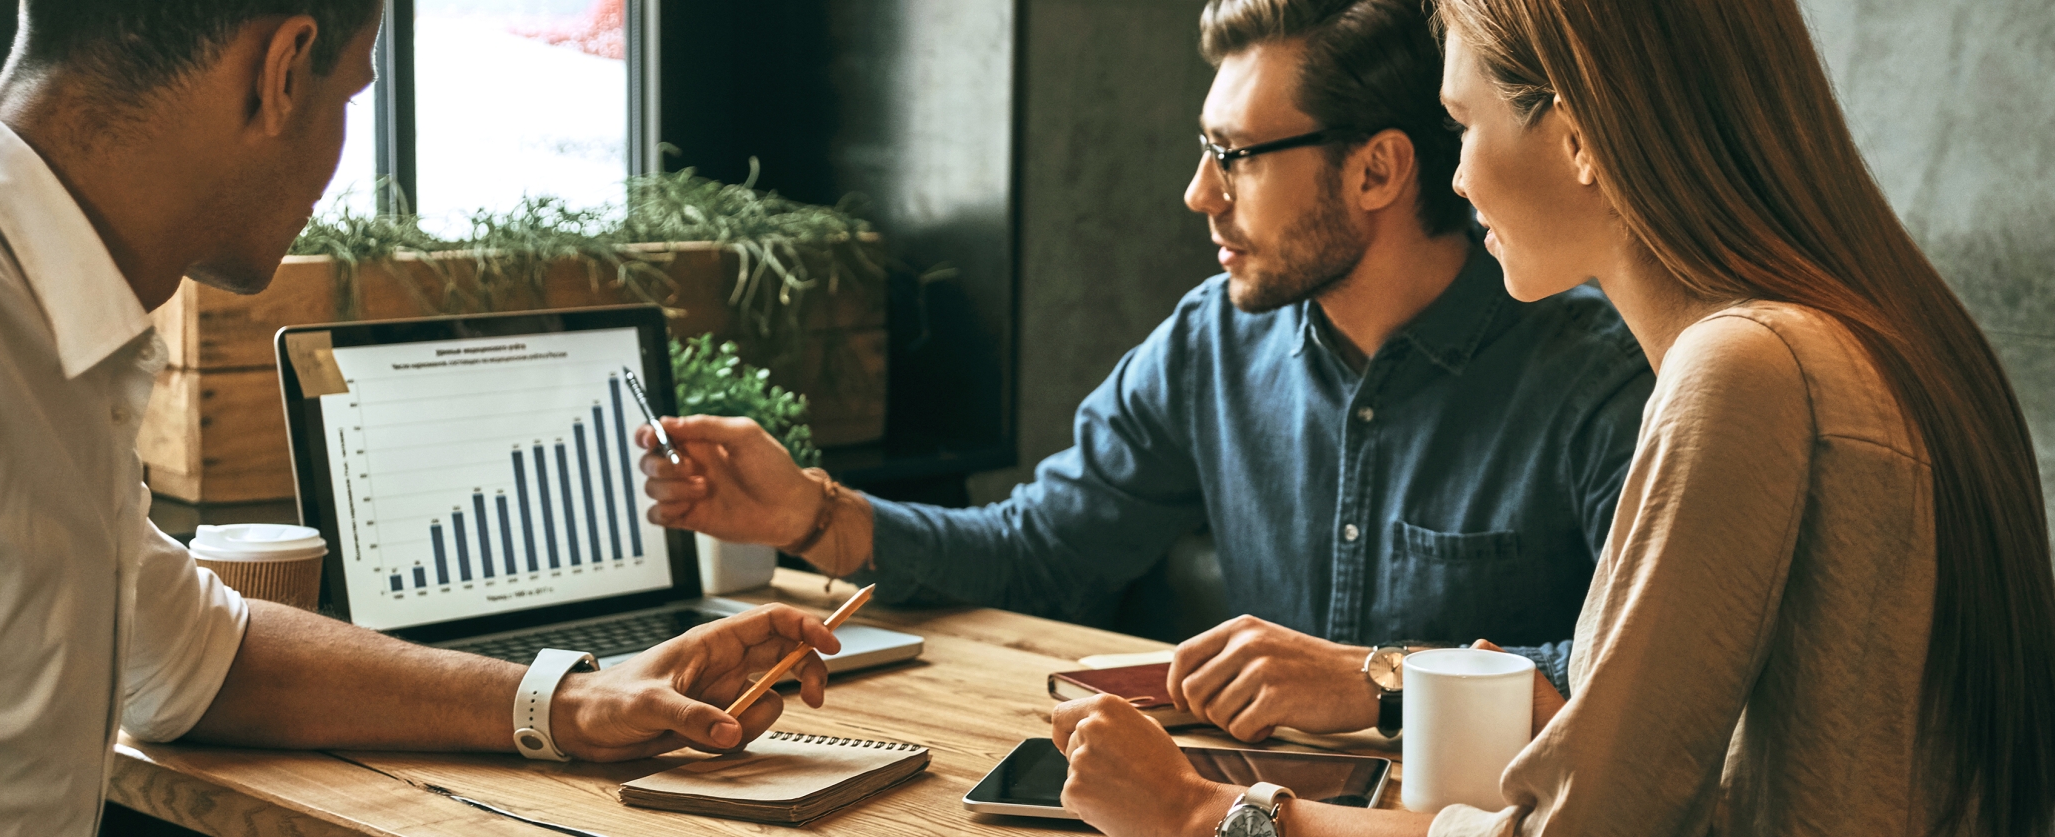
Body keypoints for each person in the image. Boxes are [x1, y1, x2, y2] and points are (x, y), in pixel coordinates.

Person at [1048, 0, 2055, 835]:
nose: (1448, 177)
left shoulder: (1745, 370)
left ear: (1578, 131)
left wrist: (1201, 814)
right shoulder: (1868, 338)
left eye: (1460, 127)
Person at [0, 3, 840, 833]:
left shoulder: (29, 324)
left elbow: (195, 656)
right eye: (348, 96)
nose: (337, 160)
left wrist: (577, 700)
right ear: (283, 70)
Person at [637, 0, 1651, 744]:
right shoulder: (1210, 342)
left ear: (1377, 170)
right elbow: (1040, 551)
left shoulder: (1600, 376)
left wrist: (1379, 682)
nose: (1197, 193)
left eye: (1235, 155)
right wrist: (811, 516)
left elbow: (1644, 679)